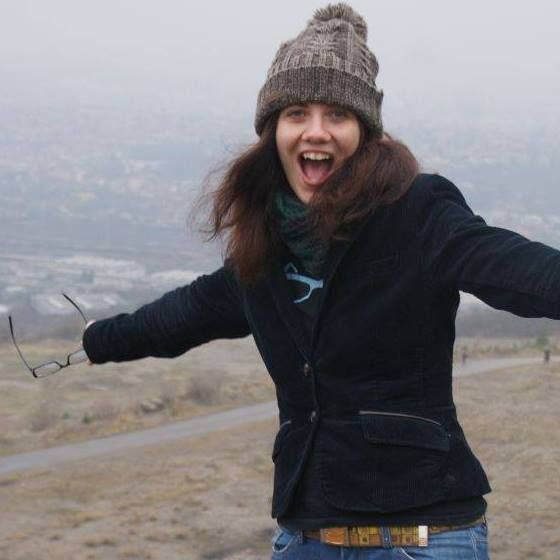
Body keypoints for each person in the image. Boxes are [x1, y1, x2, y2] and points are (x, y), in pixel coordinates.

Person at [80, 4, 560, 559]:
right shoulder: (264, 247)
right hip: (304, 536)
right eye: (296, 113)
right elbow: (184, 314)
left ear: (365, 132)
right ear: (273, 131)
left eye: (337, 114)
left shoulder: (418, 213)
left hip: (422, 537)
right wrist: (95, 341)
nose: (316, 130)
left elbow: (511, 266)